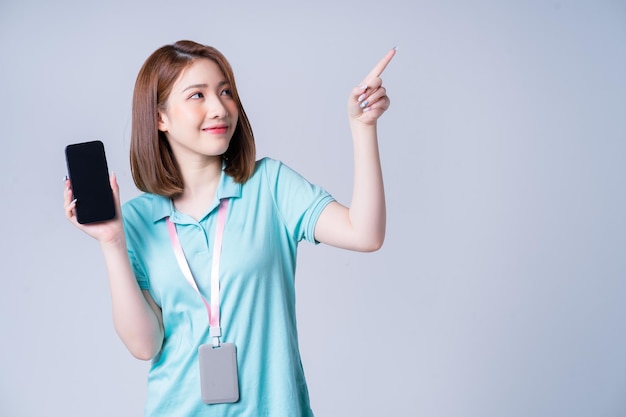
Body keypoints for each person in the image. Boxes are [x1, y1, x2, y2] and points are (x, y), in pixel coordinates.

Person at [64, 40, 395, 416]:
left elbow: (365, 233)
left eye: (225, 92)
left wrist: (362, 127)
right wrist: (111, 242)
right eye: (197, 96)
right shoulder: (136, 220)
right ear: (160, 118)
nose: (219, 108)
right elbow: (145, 345)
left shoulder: (270, 185)